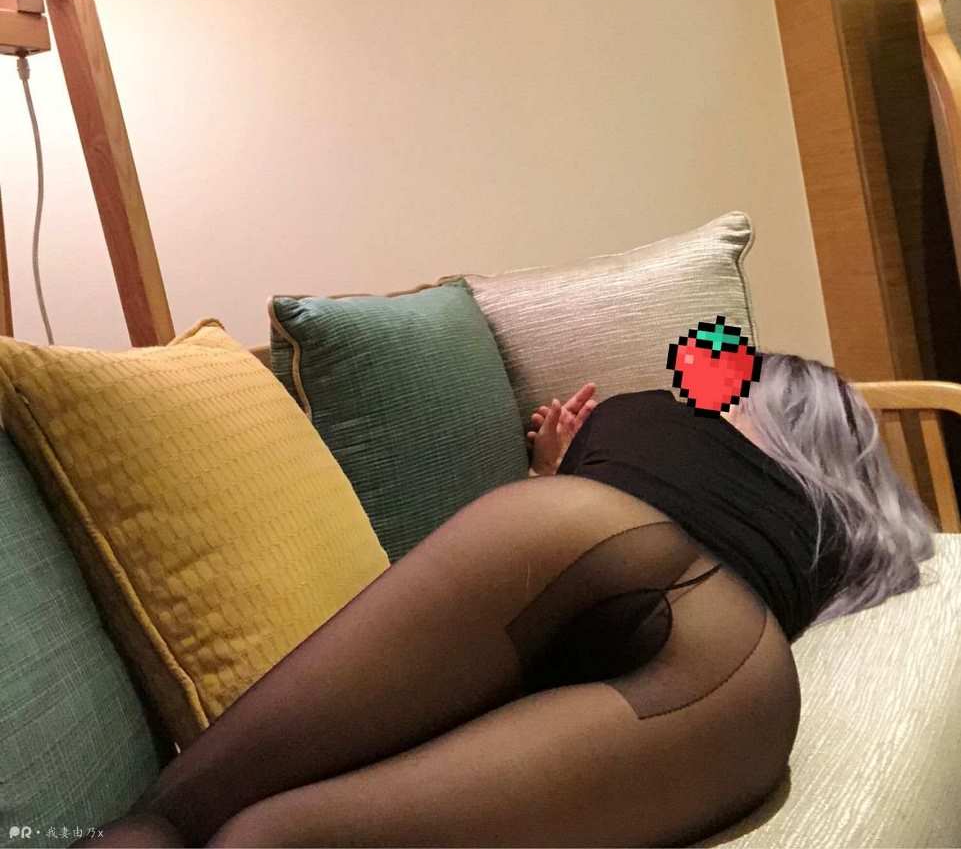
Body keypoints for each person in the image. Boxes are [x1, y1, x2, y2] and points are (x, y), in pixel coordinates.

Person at [74, 350, 937, 848]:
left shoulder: (646, 408)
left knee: (179, 814)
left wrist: (553, 466)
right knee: (268, 841)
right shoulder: (850, 525)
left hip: (575, 530)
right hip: (734, 676)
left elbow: (603, 528)